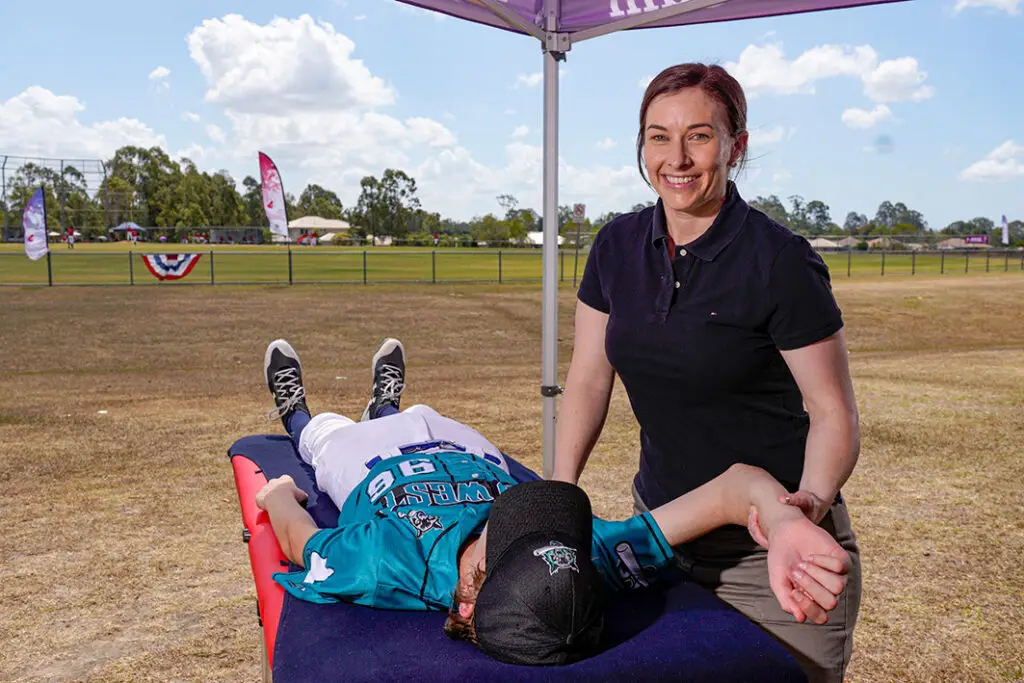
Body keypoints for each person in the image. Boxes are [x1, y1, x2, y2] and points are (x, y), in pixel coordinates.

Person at [255, 338, 852, 666]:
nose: (539, 520)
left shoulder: (387, 562)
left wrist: (279, 493)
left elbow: (302, 542)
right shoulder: (579, 558)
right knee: (422, 413)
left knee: (324, 436)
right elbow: (734, 487)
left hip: (372, 468)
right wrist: (782, 518)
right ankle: (387, 403)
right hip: (471, 453)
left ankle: (297, 411)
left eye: (516, 536)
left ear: (467, 604)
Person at [550, 62, 860, 683]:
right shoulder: (614, 246)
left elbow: (833, 412)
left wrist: (810, 504)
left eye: (699, 135)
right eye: (658, 136)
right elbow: (588, 378)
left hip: (767, 553)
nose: (677, 158)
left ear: (735, 145)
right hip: (658, 538)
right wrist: (559, 498)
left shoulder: (781, 262)